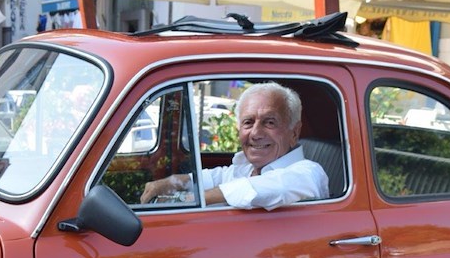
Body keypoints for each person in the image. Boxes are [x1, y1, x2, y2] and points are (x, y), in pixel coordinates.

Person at [140, 82, 329, 210]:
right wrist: (166, 184)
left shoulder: (308, 173)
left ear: (294, 133)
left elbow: (268, 188)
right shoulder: (246, 169)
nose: (255, 133)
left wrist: (186, 200)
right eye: (248, 122)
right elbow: (211, 178)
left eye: (269, 122)